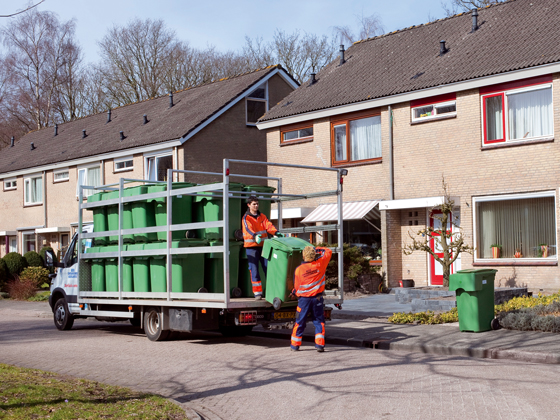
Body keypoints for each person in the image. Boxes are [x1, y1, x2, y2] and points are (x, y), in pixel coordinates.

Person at [290, 245, 332, 353]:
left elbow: (297, 286)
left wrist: (294, 293)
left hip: (304, 301)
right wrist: (317, 248)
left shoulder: (299, 270)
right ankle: (320, 345)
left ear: (303, 256)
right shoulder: (320, 264)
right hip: (317, 299)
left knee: (300, 322)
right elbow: (328, 251)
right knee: (319, 321)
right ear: (314, 255)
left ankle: (295, 345)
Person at [242, 195, 282, 300]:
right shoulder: (246, 218)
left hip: (264, 247)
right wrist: (255, 236)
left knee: (268, 269)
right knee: (254, 270)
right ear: (249, 205)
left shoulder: (262, 216)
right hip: (251, 248)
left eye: (257, 204)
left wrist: (276, 232)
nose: (256, 206)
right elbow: (248, 229)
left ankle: (271, 291)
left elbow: (268, 225)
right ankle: (258, 293)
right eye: (254, 204)